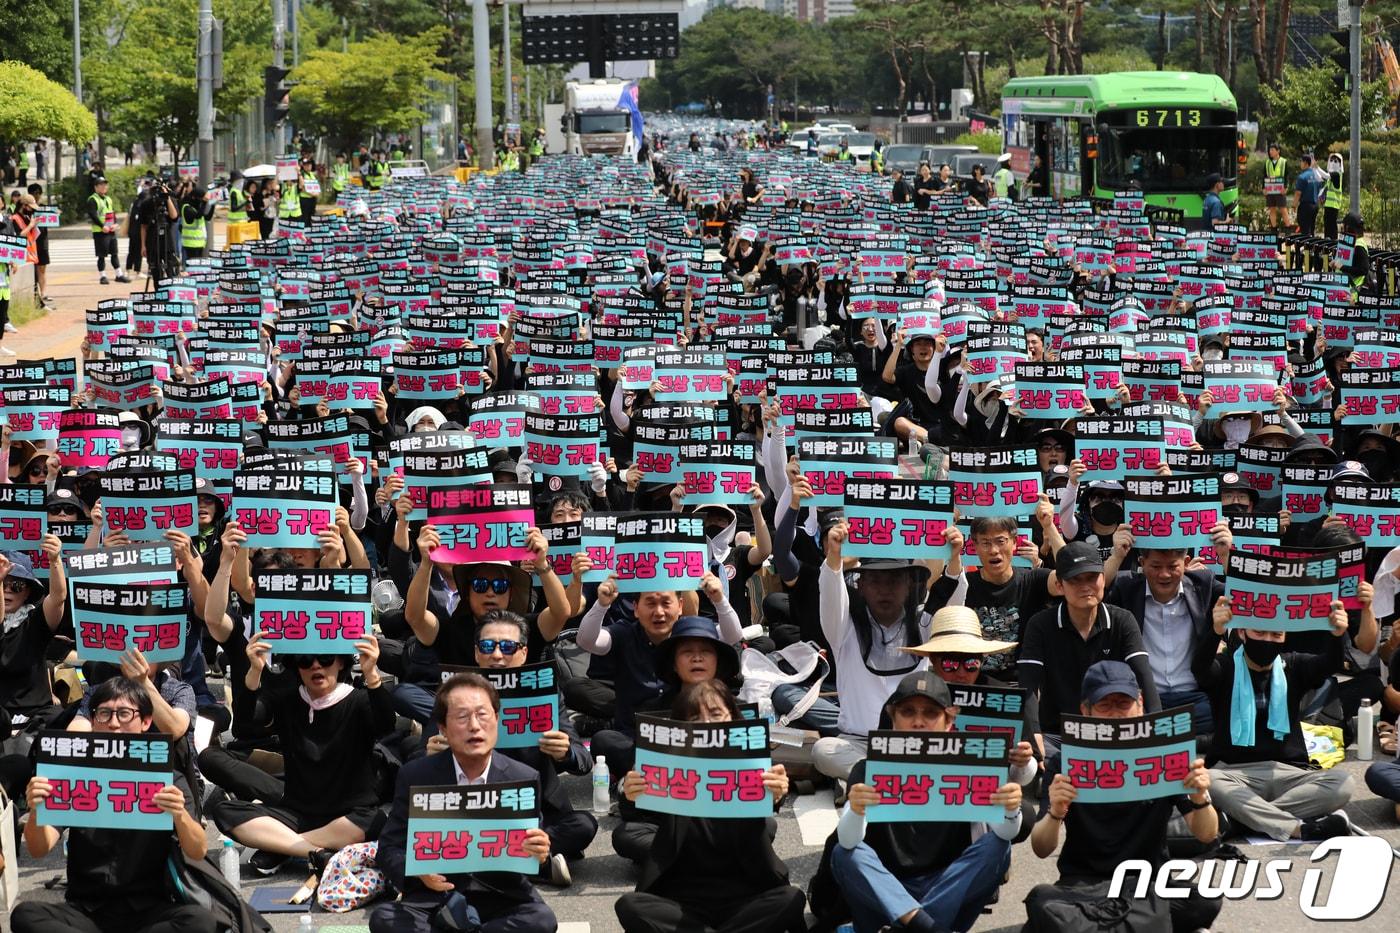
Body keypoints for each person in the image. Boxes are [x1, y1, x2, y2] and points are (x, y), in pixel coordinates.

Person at [1025, 661, 1219, 933]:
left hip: (1147, 882)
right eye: (1105, 705)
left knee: (1205, 900)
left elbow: (1207, 834)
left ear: (1140, 704)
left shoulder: (1165, 756)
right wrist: (1056, 812)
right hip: (1084, 884)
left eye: (1123, 703)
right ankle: (1146, 924)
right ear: (1085, 711)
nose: (1115, 714)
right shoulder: (1065, 763)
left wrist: (1200, 796)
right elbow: (1041, 848)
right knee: (1040, 900)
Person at [13, 678, 218, 933]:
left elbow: (197, 850)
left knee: (200, 922)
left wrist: (180, 816)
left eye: (123, 714)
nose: (112, 723)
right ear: (93, 720)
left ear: (145, 722)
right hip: (86, 911)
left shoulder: (167, 778)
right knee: (25, 914)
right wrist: (35, 810)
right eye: (104, 713)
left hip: (148, 909)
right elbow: (38, 848)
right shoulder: (74, 776)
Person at [829, 671, 1027, 933]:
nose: (919, 722)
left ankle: (910, 926)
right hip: (887, 887)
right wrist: (855, 811)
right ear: (893, 718)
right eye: (908, 712)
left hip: (946, 888)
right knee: (846, 855)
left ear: (949, 721)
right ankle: (925, 926)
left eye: (931, 713)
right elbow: (847, 841)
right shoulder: (868, 769)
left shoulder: (971, 770)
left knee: (998, 846)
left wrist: (1010, 809)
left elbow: (1006, 833)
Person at [614, 680, 806, 933]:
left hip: (745, 897)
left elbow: (766, 809)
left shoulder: (753, 768)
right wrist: (630, 790)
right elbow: (635, 811)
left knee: (791, 898)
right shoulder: (669, 770)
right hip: (681, 900)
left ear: (734, 718)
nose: (706, 724)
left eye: (716, 715)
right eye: (695, 718)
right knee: (630, 905)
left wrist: (776, 792)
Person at [372, 672, 557, 933]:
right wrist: (417, 871)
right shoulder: (416, 775)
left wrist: (540, 854)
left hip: (502, 897)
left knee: (541, 921)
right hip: (436, 897)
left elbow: (534, 853)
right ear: (443, 728)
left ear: (497, 720)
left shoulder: (522, 777)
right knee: (384, 920)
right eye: (462, 717)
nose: (474, 726)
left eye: (483, 714)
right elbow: (389, 848)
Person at [425, 609, 596, 886]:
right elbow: (424, 758)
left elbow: (583, 760)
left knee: (583, 826)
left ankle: (489, 864)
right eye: (488, 646)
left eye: (507, 647)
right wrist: (432, 753)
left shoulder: (545, 694)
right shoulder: (453, 695)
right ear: (476, 652)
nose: (497, 655)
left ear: (524, 652)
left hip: (531, 812)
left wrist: (566, 752)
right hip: (471, 811)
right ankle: (532, 866)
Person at [209, 632, 395, 874]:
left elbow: (386, 724)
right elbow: (246, 720)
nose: (315, 665)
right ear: (296, 666)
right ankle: (317, 853)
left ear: (341, 662)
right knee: (226, 812)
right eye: (305, 660)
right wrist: (254, 669)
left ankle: (282, 846)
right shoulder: (287, 701)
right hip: (297, 813)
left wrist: (372, 674)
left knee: (375, 821)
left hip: (350, 817)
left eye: (326, 658)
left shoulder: (358, 700)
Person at [1192, 595, 1356, 841]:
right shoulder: (1226, 667)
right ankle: (1300, 828)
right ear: (1243, 632)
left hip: (1289, 773)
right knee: (1211, 782)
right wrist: (1215, 631)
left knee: (1343, 783)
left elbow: (1328, 664)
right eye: (1260, 632)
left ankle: (1245, 820)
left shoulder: (1294, 665)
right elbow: (1200, 669)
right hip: (1235, 773)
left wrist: (1336, 633)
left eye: (1276, 635)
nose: (1268, 640)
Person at [1017, 541, 1161, 742]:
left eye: (1092, 577)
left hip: (1116, 732)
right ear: (1059, 585)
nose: (1085, 587)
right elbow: (1028, 684)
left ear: (1103, 578)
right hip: (1056, 734)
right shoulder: (1040, 624)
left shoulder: (1122, 620)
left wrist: (1159, 742)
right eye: (1075, 580)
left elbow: (1144, 677)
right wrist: (1033, 737)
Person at [86, 176, 128, 285]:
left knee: (114, 253)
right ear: (96, 187)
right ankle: (102, 276)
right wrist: (102, 226)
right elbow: (93, 215)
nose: (104, 186)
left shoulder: (108, 199)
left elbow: (112, 213)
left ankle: (119, 275)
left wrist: (115, 223)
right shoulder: (93, 199)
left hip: (110, 230)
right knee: (101, 255)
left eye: (105, 184)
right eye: (101, 184)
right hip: (100, 231)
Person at [1293, 152, 1323, 237]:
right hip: (1315, 205)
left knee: (1305, 231)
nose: (1300, 164)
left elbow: (1298, 193)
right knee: (1312, 229)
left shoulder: (1302, 177)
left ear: (1305, 163)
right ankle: (1312, 248)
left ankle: (1307, 249)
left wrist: (1294, 205)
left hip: (1305, 206)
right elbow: (1320, 190)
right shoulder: (1317, 176)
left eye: (1301, 161)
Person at [1263, 142, 1289, 230]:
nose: (1270, 152)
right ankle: (1274, 228)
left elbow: (1286, 176)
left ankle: (1288, 228)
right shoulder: (1267, 162)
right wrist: (1264, 188)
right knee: (1272, 209)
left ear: (1278, 151)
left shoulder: (1283, 162)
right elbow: (1264, 176)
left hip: (1280, 188)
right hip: (1270, 189)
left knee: (1283, 209)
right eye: (1270, 150)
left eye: (1273, 150)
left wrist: (1286, 187)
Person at [1323, 153, 1345, 240]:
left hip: (1334, 205)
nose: (1333, 163)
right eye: (1331, 160)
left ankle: (1333, 243)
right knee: (1327, 225)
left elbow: (1325, 176)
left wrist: (1316, 167)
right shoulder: (1331, 176)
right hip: (1328, 205)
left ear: (1340, 164)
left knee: (1331, 226)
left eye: (1336, 161)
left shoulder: (1336, 174)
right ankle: (1327, 242)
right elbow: (1321, 177)